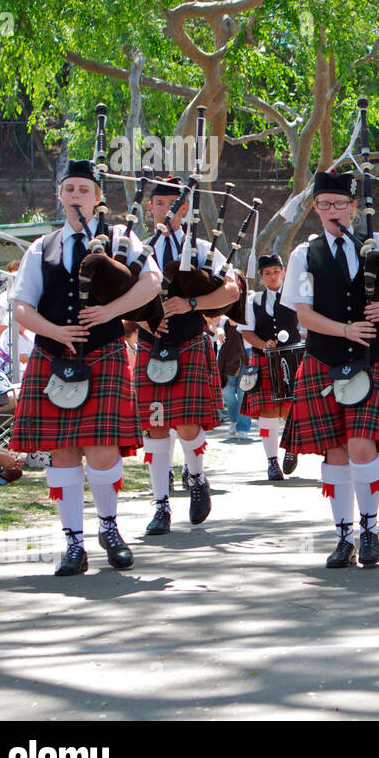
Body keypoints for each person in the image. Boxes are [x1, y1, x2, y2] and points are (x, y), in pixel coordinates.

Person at [6, 159, 162, 575]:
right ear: (60, 196)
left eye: (83, 190)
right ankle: (73, 543)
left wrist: (110, 309)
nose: (75, 196)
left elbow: (151, 284)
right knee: (63, 452)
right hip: (53, 357)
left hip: (105, 352)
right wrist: (55, 331)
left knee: (103, 449)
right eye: (69, 189)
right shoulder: (42, 247)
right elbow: (21, 305)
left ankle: (109, 529)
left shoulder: (121, 240)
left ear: (97, 199)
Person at [280, 167, 379, 568]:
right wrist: (344, 329)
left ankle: (371, 530)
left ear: (353, 206)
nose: (332, 211)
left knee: (363, 446)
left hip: (372, 358)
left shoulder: (376, 243)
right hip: (326, 359)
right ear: (314, 207)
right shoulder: (303, 255)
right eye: (324, 204)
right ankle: (344, 537)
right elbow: (303, 315)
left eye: (340, 204)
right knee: (336, 452)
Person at [136, 177, 241, 536]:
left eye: (172, 205)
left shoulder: (199, 248)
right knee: (156, 426)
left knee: (187, 425)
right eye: (159, 204)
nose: (165, 210)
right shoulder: (138, 249)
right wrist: (141, 321)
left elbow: (232, 289)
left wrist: (191, 303)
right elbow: (113, 295)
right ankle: (161, 505)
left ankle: (196, 479)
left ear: (183, 209)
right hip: (152, 346)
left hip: (189, 341)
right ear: (151, 207)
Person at [239, 253, 301, 480]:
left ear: (283, 272)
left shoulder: (296, 296)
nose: (273, 276)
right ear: (261, 277)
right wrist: (264, 344)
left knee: (290, 410)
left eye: (276, 271)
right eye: (268, 273)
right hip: (264, 359)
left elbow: (306, 324)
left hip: (292, 358)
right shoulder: (253, 301)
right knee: (268, 412)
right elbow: (246, 332)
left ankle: (292, 448)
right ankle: (272, 461)